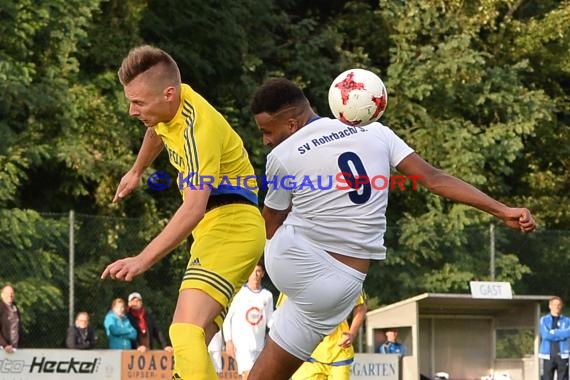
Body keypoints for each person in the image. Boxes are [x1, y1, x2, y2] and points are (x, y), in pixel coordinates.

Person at [246, 77, 537, 380]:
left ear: (291, 125)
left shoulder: (282, 155)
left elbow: (269, 225)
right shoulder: (378, 133)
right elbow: (434, 179)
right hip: (343, 287)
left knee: (247, 218)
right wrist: (503, 210)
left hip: (300, 264)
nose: (265, 140)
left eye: (267, 131)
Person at [100, 45, 265, 379]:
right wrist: (136, 170)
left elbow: (192, 210)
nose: (132, 111)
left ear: (168, 94)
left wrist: (142, 259)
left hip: (231, 226)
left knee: (183, 332)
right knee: (194, 346)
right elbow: (156, 130)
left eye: (138, 102)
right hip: (221, 228)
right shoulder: (173, 106)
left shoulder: (197, 130)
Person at [277, 292, 366, 380]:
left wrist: (352, 334)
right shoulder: (294, 279)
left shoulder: (347, 278)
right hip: (307, 354)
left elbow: (361, 307)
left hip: (339, 351)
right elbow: (282, 313)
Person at [222, 263, 274, 380]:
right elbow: (227, 318)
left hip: (259, 345)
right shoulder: (239, 293)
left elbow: (270, 321)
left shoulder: (267, 296)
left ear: (262, 274)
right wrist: (228, 340)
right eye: (253, 271)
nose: (255, 275)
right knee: (247, 374)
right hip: (242, 344)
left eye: (258, 271)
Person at [539, 296, 570, 380]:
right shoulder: (544, 320)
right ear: (550, 306)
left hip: (563, 355)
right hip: (548, 356)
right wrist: (561, 335)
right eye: (554, 304)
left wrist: (554, 332)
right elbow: (545, 335)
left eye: (559, 304)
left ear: (562, 306)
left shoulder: (567, 321)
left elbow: (568, 332)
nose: (557, 306)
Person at [0, 284, 22, 353]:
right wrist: (5, 345)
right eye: (7, 293)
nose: (10, 295)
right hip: (3, 349)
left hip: (15, 348)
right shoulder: (1, 308)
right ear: (2, 295)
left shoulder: (15, 308)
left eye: (11, 293)